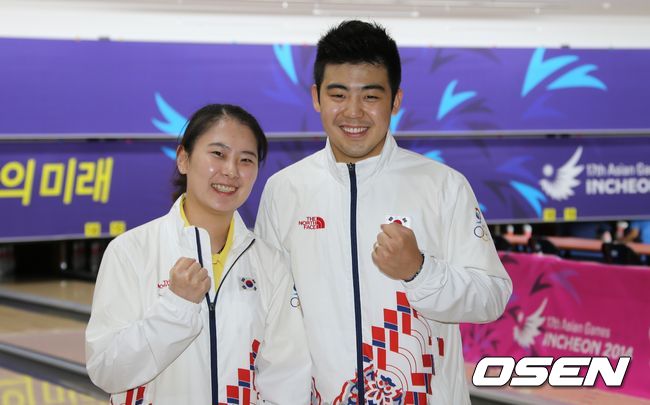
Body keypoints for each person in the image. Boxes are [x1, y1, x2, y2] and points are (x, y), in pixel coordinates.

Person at [255, 21, 512, 404]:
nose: (353, 112)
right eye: (338, 94)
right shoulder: (284, 190)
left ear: (395, 100)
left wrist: (420, 271)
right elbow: (269, 314)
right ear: (316, 97)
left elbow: (492, 296)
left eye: (371, 96)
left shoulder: (443, 185)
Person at [86, 104, 311, 404]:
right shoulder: (130, 251)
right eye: (218, 154)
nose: (231, 171)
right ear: (183, 158)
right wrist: (176, 308)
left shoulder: (270, 263)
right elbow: (106, 370)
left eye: (246, 159)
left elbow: (287, 378)